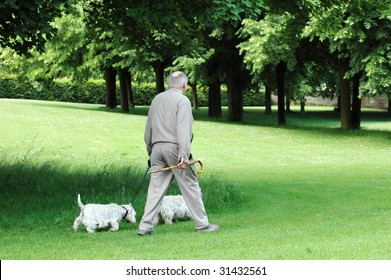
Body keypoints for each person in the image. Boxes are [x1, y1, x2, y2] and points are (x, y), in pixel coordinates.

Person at [138, 71, 219, 236]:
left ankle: (145, 227)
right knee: (190, 186)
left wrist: (150, 151)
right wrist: (184, 153)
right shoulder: (183, 101)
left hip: (156, 149)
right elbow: (183, 130)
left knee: (155, 190)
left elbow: (148, 129)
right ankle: (202, 225)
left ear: (169, 83)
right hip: (175, 149)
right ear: (184, 85)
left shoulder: (156, 99)